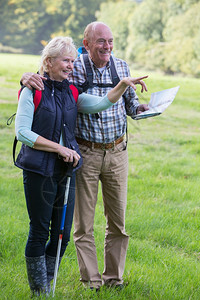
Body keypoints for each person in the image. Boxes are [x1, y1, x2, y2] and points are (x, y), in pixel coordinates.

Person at [17, 35, 148, 296]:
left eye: (73, 61)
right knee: (40, 231)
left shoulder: (73, 92)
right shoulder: (33, 89)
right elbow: (22, 132)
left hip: (65, 171)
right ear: (49, 61)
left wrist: (122, 84)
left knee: (62, 233)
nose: (71, 66)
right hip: (39, 171)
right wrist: (61, 148)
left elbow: (101, 102)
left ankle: (47, 284)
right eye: (66, 61)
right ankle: (39, 290)